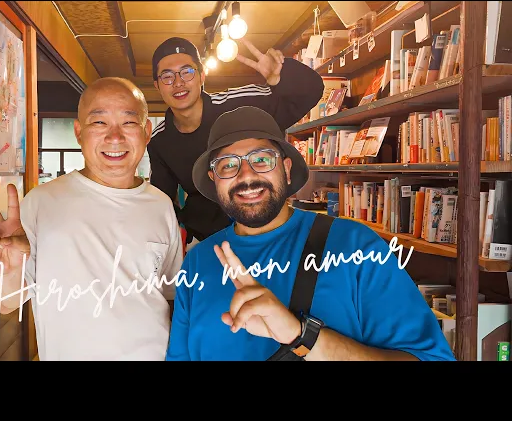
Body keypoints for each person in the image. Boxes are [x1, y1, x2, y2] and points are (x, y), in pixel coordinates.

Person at [165, 106, 456, 361]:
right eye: (228, 165)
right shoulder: (198, 262)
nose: (246, 176)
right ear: (214, 179)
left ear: (286, 169)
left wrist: (301, 335)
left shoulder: (356, 247)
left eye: (262, 159)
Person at [0, 77, 184, 361]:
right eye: (99, 122)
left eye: (128, 122)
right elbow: (6, 302)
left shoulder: (161, 205)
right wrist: (10, 271)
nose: (115, 137)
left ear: (147, 131)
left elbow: (169, 295)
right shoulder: (41, 203)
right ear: (79, 132)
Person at [147, 36, 324, 247]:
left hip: (267, 232)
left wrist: (280, 77)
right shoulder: (159, 139)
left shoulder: (240, 104)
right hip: (206, 240)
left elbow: (311, 91)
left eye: (187, 72)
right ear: (157, 85)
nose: (178, 83)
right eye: (167, 76)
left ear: (202, 75)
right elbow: (163, 199)